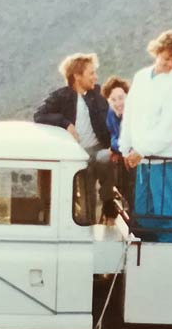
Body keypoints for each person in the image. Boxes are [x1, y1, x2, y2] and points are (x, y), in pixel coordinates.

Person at [118, 30, 172, 243]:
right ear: (157, 53)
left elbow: (170, 127)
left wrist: (143, 150)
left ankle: (170, 249)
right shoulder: (141, 77)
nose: (169, 64)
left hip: (161, 157)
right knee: (143, 208)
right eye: (167, 58)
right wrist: (126, 147)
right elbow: (130, 113)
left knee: (163, 209)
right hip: (140, 157)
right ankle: (152, 247)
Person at [34, 53, 115, 218]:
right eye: (91, 73)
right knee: (87, 194)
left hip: (97, 149)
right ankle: (88, 224)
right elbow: (39, 115)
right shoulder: (61, 97)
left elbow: (111, 118)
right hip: (77, 154)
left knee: (108, 159)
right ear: (77, 76)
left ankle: (108, 202)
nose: (95, 77)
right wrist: (66, 123)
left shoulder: (97, 96)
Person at [102, 76, 130, 211]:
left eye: (121, 98)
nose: (118, 103)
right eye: (113, 100)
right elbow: (114, 137)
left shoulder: (134, 114)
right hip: (122, 155)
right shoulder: (111, 114)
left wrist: (116, 147)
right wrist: (116, 148)